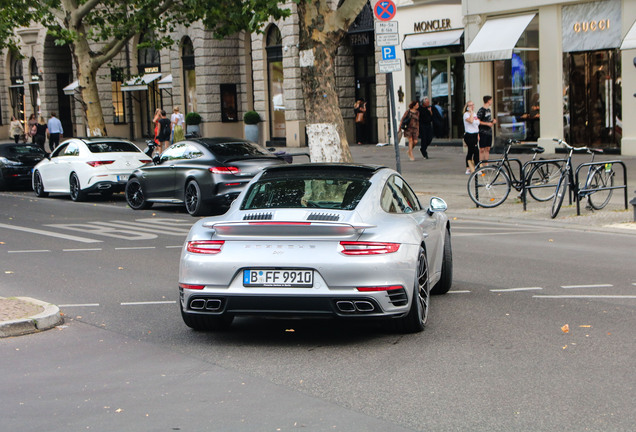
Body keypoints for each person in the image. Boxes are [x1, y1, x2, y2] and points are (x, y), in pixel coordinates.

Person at [477, 95, 497, 163]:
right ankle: (481, 163)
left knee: (488, 148)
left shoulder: (489, 110)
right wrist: (487, 124)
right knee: (482, 148)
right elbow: (478, 121)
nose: (491, 102)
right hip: (483, 131)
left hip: (489, 131)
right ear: (488, 101)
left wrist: (492, 122)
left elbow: (488, 120)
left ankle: (486, 163)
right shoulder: (481, 110)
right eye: (491, 100)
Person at [463, 101, 480, 174]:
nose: (472, 106)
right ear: (467, 107)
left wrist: (478, 134)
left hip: (475, 134)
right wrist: (471, 113)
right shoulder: (466, 115)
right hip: (469, 135)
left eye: (473, 105)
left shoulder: (475, 114)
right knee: (475, 151)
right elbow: (470, 121)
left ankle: (470, 167)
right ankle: (474, 167)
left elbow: (477, 124)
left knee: (471, 151)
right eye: (470, 105)